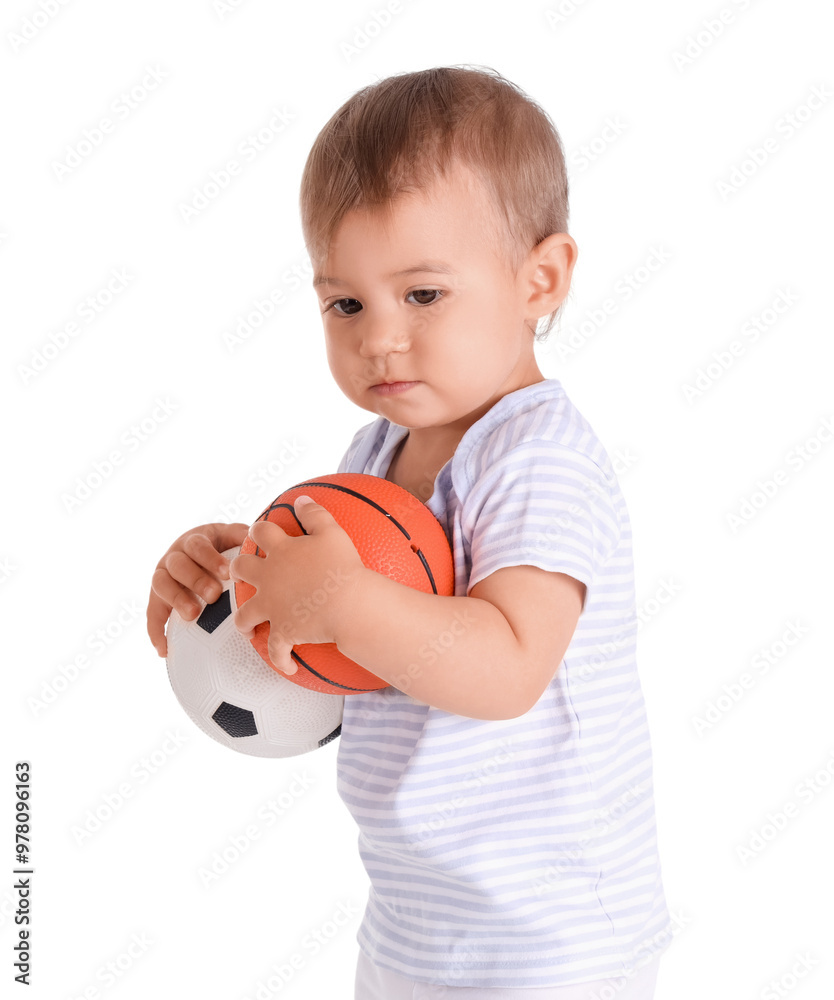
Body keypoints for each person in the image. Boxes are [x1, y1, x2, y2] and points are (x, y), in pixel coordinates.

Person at [148, 66, 672, 999]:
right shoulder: (375, 450)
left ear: (539, 279)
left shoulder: (536, 458)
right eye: (345, 304)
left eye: (422, 295)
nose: (379, 338)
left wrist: (345, 599)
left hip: (549, 935)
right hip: (418, 919)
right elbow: (348, 664)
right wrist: (234, 587)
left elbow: (508, 666)